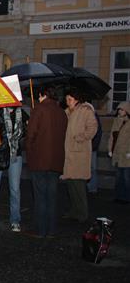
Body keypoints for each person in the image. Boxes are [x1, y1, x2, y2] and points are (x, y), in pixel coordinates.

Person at [25, 85, 68, 238]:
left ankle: (40, 229)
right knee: (52, 196)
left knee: (40, 196)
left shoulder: (39, 109)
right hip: (56, 160)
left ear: (42, 94)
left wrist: (29, 149)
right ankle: (51, 229)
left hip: (40, 159)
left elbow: (31, 135)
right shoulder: (61, 112)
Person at [61, 88, 97, 223]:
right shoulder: (67, 112)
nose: (67, 102)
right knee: (71, 184)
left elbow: (93, 128)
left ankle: (82, 212)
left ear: (76, 99)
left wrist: (81, 137)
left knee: (79, 185)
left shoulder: (85, 111)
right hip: (69, 152)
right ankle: (74, 210)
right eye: (66, 99)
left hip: (79, 152)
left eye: (69, 99)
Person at [108, 101, 130, 204]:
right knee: (118, 176)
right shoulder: (116, 121)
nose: (120, 111)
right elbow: (112, 136)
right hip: (117, 152)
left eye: (122, 109)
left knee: (126, 177)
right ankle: (118, 196)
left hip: (126, 154)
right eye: (119, 110)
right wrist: (109, 149)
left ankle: (127, 197)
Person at [87, 111, 102, 194]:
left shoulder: (93, 115)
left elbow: (97, 132)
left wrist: (94, 146)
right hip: (86, 147)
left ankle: (92, 187)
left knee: (92, 168)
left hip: (92, 147)